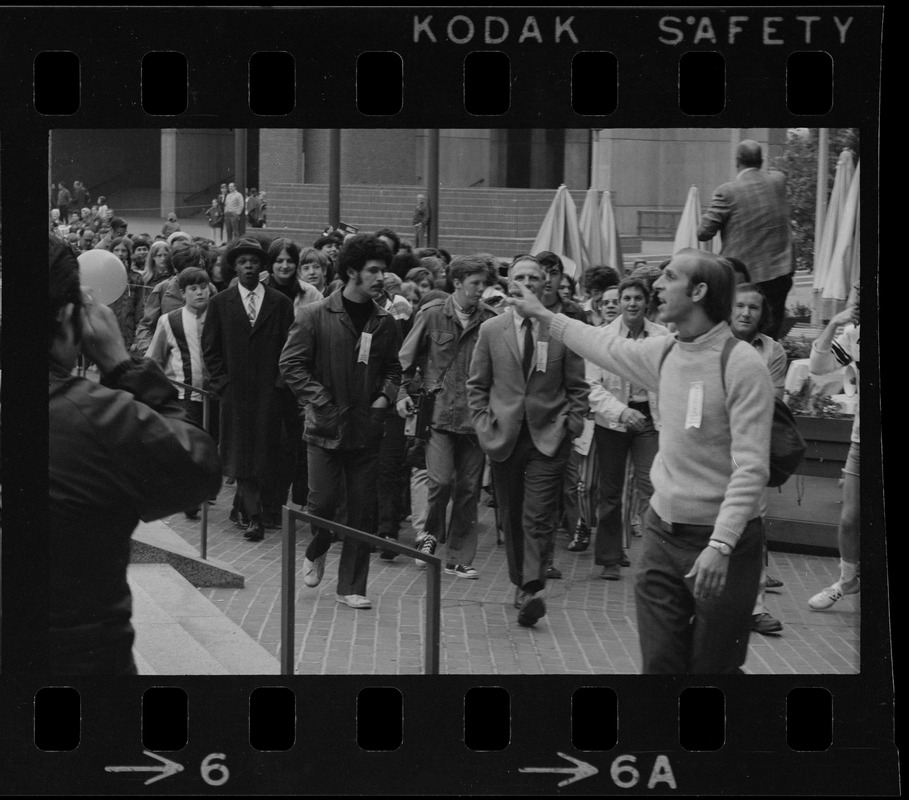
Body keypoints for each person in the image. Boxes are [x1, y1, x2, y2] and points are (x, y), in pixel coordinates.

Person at [508, 248, 774, 673]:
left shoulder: (741, 365)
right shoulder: (665, 352)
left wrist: (721, 545)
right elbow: (603, 345)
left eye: (669, 277)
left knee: (713, 668)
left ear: (699, 291)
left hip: (723, 544)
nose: (656, 286)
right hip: (662, 536)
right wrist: (543, 313)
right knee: (660, 665)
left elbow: (751, 468)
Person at [49, 237, 221, 674]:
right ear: (72, 318)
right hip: (79, 663)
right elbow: (197, 466)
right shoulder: (99, 418)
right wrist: (121, 365)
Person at [279, 234, 402, 610]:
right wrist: (323, 403)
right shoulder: (315, 314)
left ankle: (352, 585)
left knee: (363, 509)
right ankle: (318, 547)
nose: (381, 277)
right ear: (352, 271)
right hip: (324, 428)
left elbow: (395, 369)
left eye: (384, 270)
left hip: (367, 428)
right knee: (324, 502)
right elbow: (291, 365)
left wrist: (384, 399)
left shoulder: (385, 322)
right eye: (373, 271)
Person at [467, 255, 588, 627]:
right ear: (510, 284)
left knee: (537, 515)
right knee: (512, 514)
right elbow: (476, 386)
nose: (528, 283)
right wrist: (485, 427)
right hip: (504, 437)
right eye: (520, 277)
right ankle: (522, 582)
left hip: (548, 437)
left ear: (544, 283)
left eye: (535, 277)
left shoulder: (560, 329)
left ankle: (533, 587)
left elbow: (578, 385)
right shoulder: (492, 330)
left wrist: (572, 421)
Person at [397, 255, 496, 578]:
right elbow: (405, 360)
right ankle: (429, 534)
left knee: (468, 490)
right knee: (439, 481)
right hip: (438, 413)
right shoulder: (432, 315)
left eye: (484, 283)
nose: (481, 290)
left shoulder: (490, 322)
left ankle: (458, 557)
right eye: (475, 284)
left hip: (476, 417)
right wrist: (403, 394)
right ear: (456, 283)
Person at [202, 237, 295, 542]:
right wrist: (223, 384)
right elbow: (211, 349)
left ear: (261, 267)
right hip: (236, 394)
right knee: (240, 453)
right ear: (235, 267)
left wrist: (281, 383)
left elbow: (291, 347)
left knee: (265, 453)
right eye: (242, 262)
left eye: (254, 262)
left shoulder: (279, 304)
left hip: (270, 393)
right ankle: (254, 517)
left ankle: (246, 507)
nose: (249, 267)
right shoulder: (220, 303)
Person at [584, 277, 670, 578]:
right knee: (611, 489)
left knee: (653, 486)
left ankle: (655, 557)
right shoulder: (602, 336)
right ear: (618, 303)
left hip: (651, 417)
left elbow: (670, 377)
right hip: (613, 420)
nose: (632, 304)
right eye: (626, 298)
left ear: (647, 302)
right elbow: (591, 385)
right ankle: (609, 557)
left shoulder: (662, 336)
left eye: (637, 298)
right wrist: (621, 412)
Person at [729, 282, 788, 635]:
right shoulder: (712, 342)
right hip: (710, 448)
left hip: (751, 450)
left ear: (761, 313)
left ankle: (755, 607)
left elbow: (775, 404)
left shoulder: (773, 351)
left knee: (753, 530)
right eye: (739, 306)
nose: (746, 313)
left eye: (753, 307)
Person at [697, 139, 794, 339]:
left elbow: (703, 232)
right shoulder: (778, 181)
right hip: (779, 274)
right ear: (761, 161)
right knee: (769, 338)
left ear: (737, 161)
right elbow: (776, 176)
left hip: (743, 279)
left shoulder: (727, 192)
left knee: (737, 336)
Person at [146, 266, 219, 519]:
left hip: (217, 395)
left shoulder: (219, 315)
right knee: (190, 446)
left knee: (213, 443)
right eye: (193, 288)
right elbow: (154, 358)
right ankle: (192, 497)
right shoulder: (170, 320)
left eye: (203, 287)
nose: (200, 293)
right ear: (183, 292)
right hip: (185, 395)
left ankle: (206, 487)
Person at [807, 296, 861, 611]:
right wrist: (833, 324)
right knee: (850, 517)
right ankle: (848, 579)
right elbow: (818, 367)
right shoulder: (854, 332)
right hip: (861, 439)